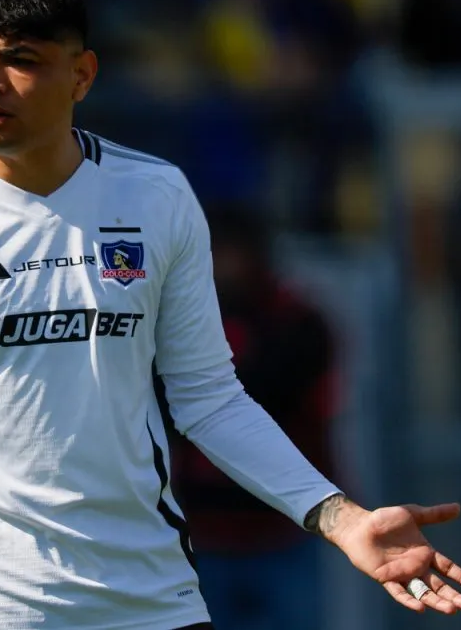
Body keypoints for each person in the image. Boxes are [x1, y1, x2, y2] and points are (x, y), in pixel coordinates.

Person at [0, 0, 461, 630]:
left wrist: (341, 517)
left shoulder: (155, 197)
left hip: (156, 603)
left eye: (20, 59)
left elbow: (210, 399)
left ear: (82, 75)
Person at [170, 204, 339, 629]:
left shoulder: (297, 321)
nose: (226, 266)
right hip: (202, 533)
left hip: (284, 529)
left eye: (234, 251)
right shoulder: (178, 322)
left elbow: (272, 397)